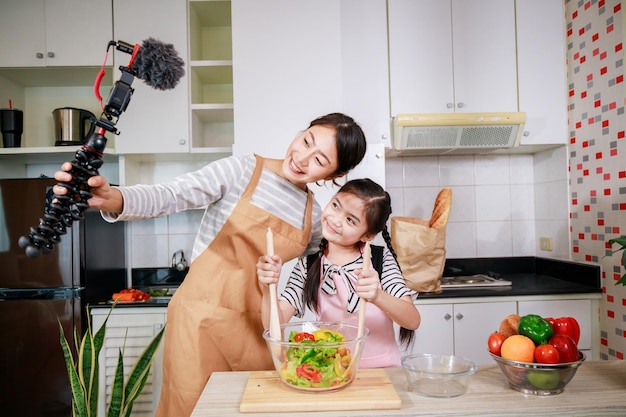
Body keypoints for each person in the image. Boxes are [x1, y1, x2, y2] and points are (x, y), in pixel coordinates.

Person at [53, 112, 368, 417]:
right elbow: (171, 195)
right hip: (199, 322)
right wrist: (114, 198)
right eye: (306, 141)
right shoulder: (243, 170)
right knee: (189, 407)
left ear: (333, 176)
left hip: (259, 333)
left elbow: (315, 273)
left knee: (251, 409)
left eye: (319, 160)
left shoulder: (313, 216)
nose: (302, 157)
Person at [257, 178, 421, 368]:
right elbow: (274, 327)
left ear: (367, 235)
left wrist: (377, 296)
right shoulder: (309, 264)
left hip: (383, 372)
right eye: (336, 205)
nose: (335, 220)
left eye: (350, 220)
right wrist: (268, 286)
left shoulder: (379, 260)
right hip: (335, 372)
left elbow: (412, 320)